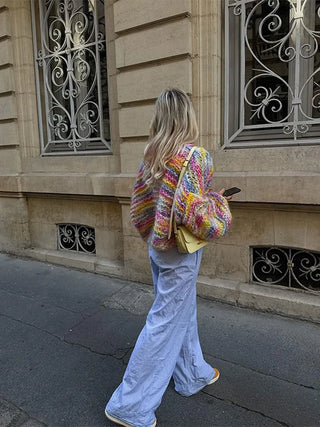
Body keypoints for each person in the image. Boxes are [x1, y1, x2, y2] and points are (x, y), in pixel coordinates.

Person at [105, 88, 233, 427]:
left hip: (158, 248)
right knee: (164, 322)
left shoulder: (151, 155)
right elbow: (198, 215)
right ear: (188, 116)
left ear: (161, 117)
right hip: (181, 251)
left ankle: (192, 374)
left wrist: (155, 233)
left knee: (179, 311)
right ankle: (130, 405)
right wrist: (217, 202)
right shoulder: (196, 157)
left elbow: (140, 208)